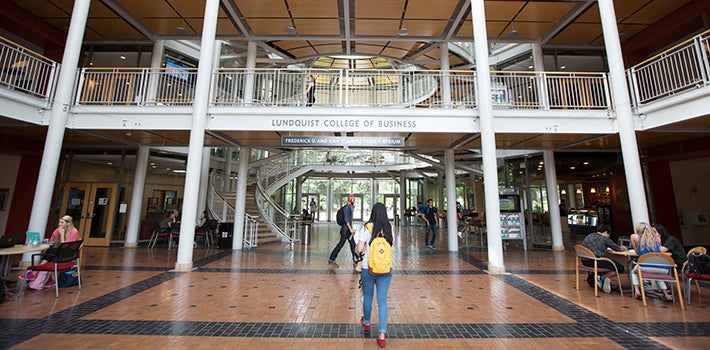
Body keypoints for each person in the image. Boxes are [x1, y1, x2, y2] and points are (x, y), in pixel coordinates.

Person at [355, 202, 393, 348]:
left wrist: (364, 248)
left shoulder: (367, 227)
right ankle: (382, 334)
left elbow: (359, 249)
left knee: (368, 296)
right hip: (386, 269)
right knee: (382, 300)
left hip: (368, 268)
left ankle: (367, 321)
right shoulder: (389, 228)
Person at [21, 215, 80, 290]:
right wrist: (47, 241)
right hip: (56, 254)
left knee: (52, 251)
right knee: (52, 250)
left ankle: (35, 271)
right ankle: (46, 277)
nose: (59, 224)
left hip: (67, 254)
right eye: (59, 222)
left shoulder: (74, 231)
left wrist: (62, 234)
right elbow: (52, 242)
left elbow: (65, 246)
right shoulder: (57, 230)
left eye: (62, 222)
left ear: (68, 223)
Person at [631, 222, 673, 301]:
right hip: (663, 268)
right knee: (657, 275)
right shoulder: (657, 238)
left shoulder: (634, 237)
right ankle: (666, 294)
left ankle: (637, 290)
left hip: (645, 266)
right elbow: (658, 251)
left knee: (634, 272)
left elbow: (637, 253)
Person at [580, 224, 628, 294]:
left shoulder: (589, 236)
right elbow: (618, 249)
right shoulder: (605, 239)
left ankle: (602, 280)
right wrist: (623, 248)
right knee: (619, 268)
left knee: (608, 263)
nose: (609, 236)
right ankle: (602, 278)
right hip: (595, 261)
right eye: (609, 235)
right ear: (605, 232)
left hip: (585, 261)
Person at [328, 195, 356, 268]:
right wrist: (351, 229)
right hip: (346, 230)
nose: (354, 201)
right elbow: (347, 220)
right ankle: (332, 258)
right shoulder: (347, 208)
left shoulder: (349, 208)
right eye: (353, 199)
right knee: (342, 245)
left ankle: (355, 260)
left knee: (352, 245)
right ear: (350, 200)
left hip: (346, 230)